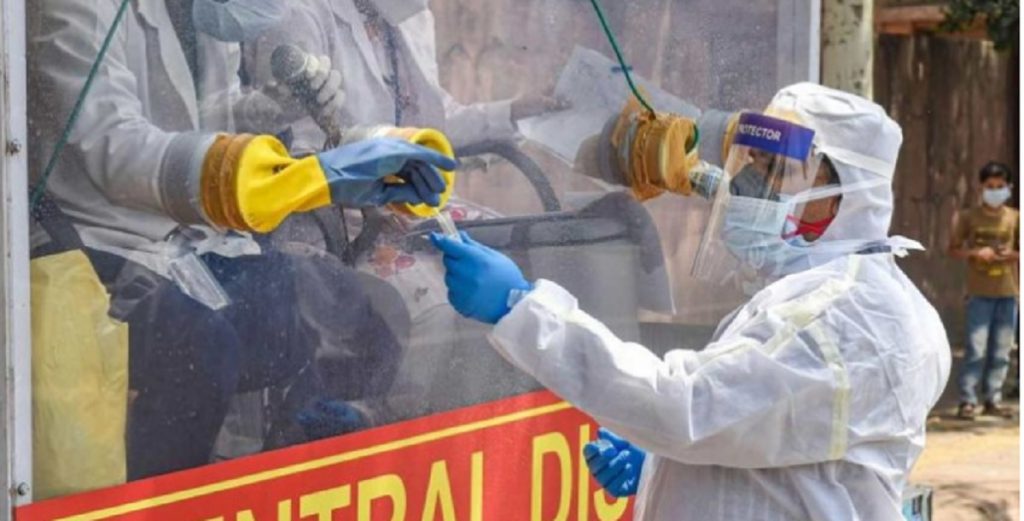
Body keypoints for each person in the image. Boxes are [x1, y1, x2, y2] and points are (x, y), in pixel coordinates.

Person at [431, 82, 951, 519]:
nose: (749, 185)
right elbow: (775, 441)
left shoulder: (845, 320)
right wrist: (663, 466)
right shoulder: (845, 294)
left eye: (776, 171)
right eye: (752, 163)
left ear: (842, 195)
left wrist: (520, 308)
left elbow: (685, 405)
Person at [28, 0, 452, 478]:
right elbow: (112, 145)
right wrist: (290, 177)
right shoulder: (80, 7)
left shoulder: (201, 14)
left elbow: (213, 113)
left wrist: (277, 108)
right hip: (102, 241)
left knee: (357, 314)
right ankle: (161, 500)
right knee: (202, 349)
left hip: (193, 241)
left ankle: (291, 478)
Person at [949, 162, 1019, 419]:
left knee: (1001, 351)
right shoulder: (968, 217)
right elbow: (953, 249)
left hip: (1008, 294)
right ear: (981, 187)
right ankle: (967, 400)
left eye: (1000, 186)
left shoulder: (1015, 218)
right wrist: (976, 253)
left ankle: (993, 399)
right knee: (975, 349)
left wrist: (1010, 255)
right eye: (990, 186)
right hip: (979, 294)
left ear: (1009, 187)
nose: (995, 191)